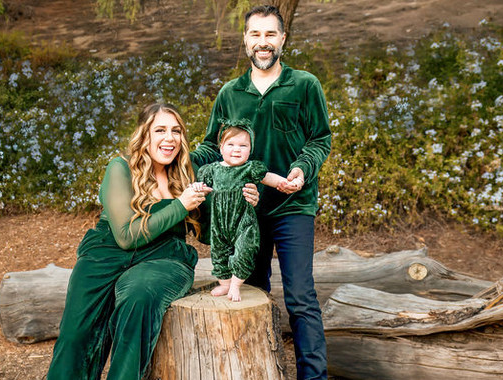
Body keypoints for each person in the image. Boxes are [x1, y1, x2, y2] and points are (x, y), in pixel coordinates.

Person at [191, 5, 332, 379]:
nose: (263, 42)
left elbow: (320, 139)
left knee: (301, 298)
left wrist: (302, 168)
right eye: (256, 35)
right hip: (242, 212)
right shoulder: (230, 93)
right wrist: (179, 161)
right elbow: (210, 146)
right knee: (250, 295)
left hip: (292, 205)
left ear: (283, 39)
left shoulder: (304, 84)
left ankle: (313, 376)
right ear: (245, 40)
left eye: (270, 34)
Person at [46, 103, 213, 380]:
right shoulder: (121, 168)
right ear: (144, 135)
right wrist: (180, 205)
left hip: (163, 257)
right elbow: (125, 236)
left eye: (176, 131)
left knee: (139, 298)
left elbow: (206, 233)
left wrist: (241, 203)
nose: (169, 138)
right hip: (107, 252)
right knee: (76, 336)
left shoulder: (188, 172)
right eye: (160, 130)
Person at [194, 120, 293, 302]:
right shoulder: (212, 170)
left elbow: (267, 177)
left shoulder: (249, 168)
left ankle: (236, 284)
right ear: (221, 148)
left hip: (243, 222)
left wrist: (283, 182)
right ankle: (224, 283)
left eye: (243, 145)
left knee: (245, 250)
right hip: (220, 224)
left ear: (250, 149)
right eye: (230, 144)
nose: (236, 149)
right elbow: (202, 185)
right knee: (219, 252)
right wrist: (198, 187)